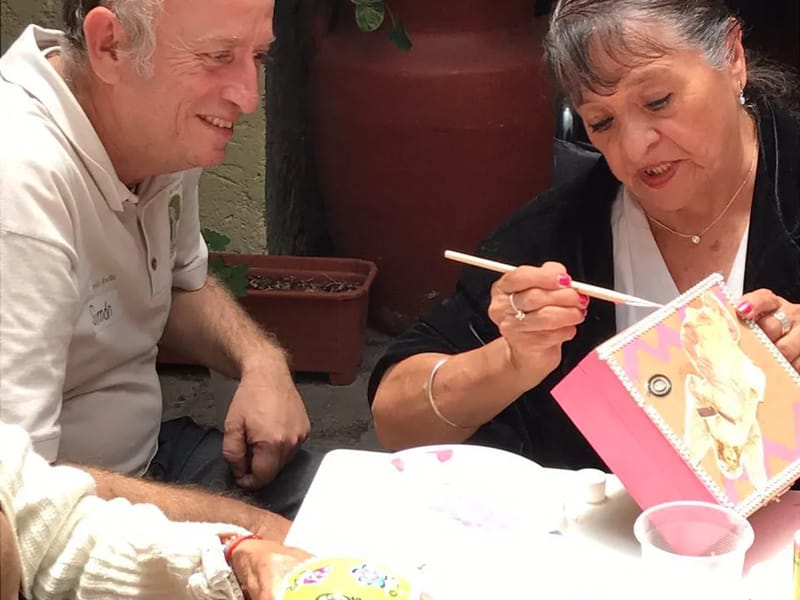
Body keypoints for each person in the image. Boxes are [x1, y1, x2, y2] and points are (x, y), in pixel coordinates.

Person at [368, 0, 800, 480]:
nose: (635, 148)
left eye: (658, 101)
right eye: (602, 122)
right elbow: (395, 421)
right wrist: (510, 361)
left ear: (732, 56)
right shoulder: (560, 236)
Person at [0, 0, 318, 519]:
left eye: (259, 56)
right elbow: (15, 495)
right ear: (110, 45)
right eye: (217, 56)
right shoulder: (19, 181)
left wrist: (260, 361)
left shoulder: (154, 129)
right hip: (59, 529)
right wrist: (243, 528)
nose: (248, 97)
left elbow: (176, 283)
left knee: (371, 514)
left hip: (145, 465)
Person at [0, 422, 311, 600]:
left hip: (154, 451)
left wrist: (231, 559)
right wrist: (254, 522)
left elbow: (58, 536)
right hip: (127, 476)